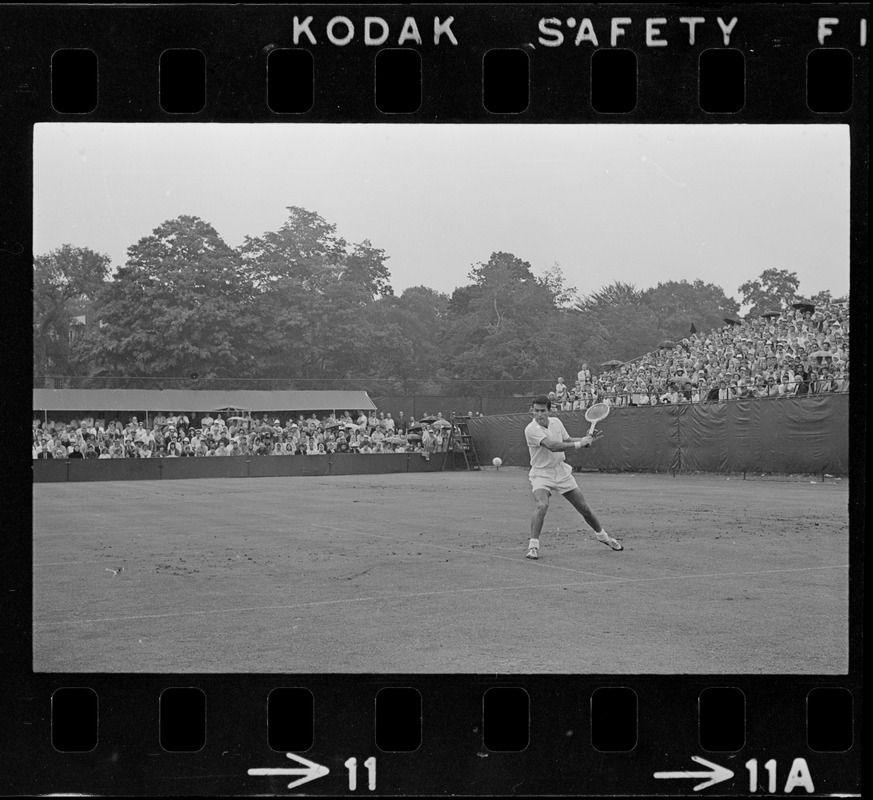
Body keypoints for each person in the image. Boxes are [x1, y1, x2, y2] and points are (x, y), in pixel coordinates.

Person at [523, 396, 622, 560]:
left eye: (543, 411)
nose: (539, 414)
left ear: (549, 410)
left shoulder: (556, 422)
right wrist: (579, 444)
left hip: (561, 472)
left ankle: (603, 537)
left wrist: (585, 440)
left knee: (583, 508)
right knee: (542, 505)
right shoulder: (531, 429)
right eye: (536, 410)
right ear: (532, 410)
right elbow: (552, 446)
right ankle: (533, 546)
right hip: (541, 473)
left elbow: (568, 441)